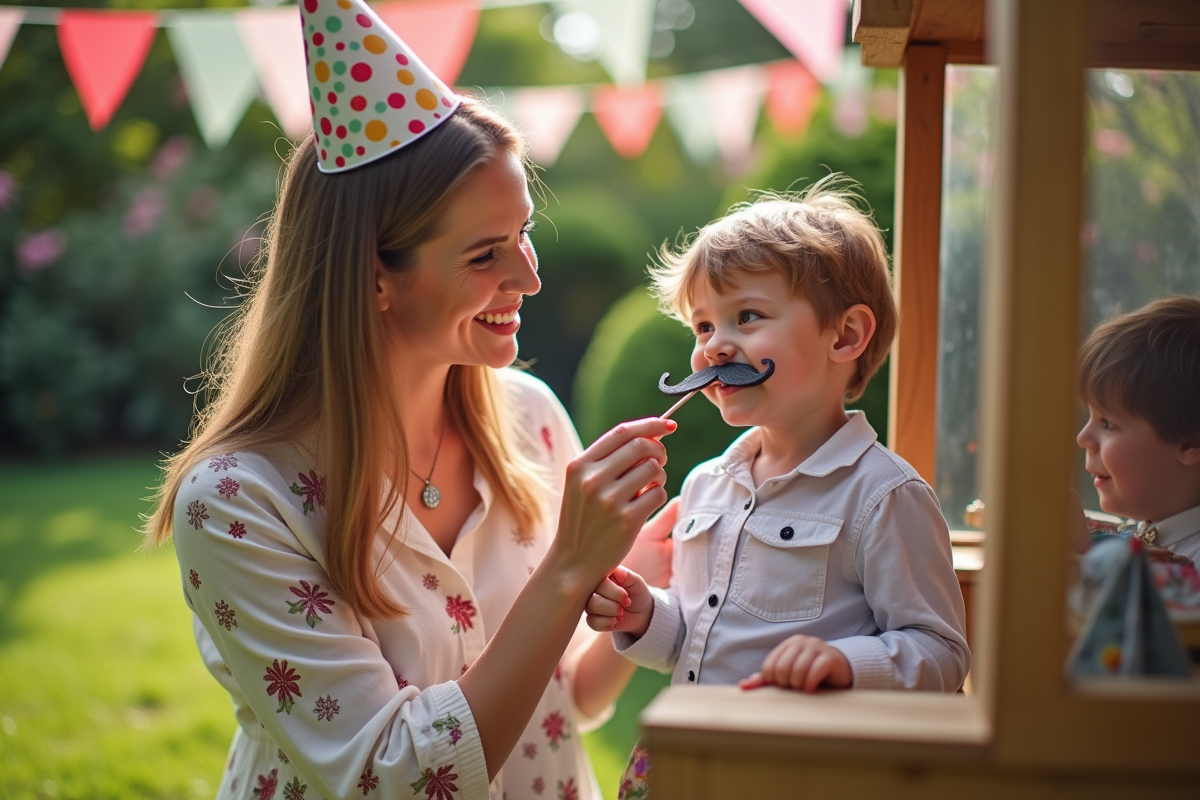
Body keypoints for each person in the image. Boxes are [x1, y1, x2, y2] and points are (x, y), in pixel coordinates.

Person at [142, 3, 676, 798]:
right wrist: (568, 567)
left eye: (524, 233)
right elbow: (389, 774)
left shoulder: (530, 418)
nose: (529, 277)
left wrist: (644, 582)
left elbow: (560, 701)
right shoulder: (237, 502)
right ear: (374, 277)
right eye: (484, 255)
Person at [587, 178, 971, 796]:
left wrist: (845, 662)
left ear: (844, 337)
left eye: (746, 317)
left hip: (794, 775)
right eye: (702, 326)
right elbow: (697, 640)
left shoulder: (882, 495)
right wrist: (646, 614)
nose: (715, 346)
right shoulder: (707, 485)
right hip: (688, 764)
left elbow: (942, 654)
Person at [1076, 295, 1200, 563]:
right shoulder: (1137, 532)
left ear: (1190, 442)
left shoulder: (1188, 570)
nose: (1083, 438)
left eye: (1107, 423)